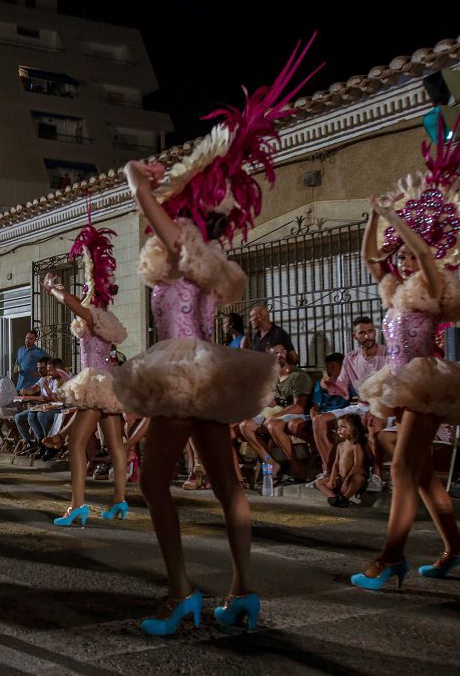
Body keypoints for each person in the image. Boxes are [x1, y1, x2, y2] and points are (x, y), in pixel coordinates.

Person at [112, 37, 315, 634]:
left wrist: (136, 178)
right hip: (208, 370)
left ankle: (180, 595)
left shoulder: (185, 246)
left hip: (182, 370)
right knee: (227, 484)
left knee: (152, 481)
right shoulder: (211, 255)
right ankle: (243, 591)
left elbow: (145, 203)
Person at [350, 106, 460, 591]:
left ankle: (391, 558)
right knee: (421, 474)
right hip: (403, 380)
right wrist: (375, 217)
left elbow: (426, 255)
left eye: (410, 252)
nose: (404, 258)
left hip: (426, 384)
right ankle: (456, 548)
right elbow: (371, 258)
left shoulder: (434, 282)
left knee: (401, 469)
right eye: (403, 253)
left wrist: (399, 219)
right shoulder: (397, 289)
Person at [45, 212, 131, 524]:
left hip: (95, 383)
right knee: (115, 445)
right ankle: (120, 501)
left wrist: (53, 288)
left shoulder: (94, 315)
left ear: (94, 290)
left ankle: (77, 505)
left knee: (76, 443)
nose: (84, 290)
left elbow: (71, 303)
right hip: (105, 380)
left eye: (87, 286)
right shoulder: (105, 318)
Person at [310, 317, 390, 490]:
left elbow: (395, 388)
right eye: (362, 332)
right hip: (361, 406)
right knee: (318, 421)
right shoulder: (350, 358)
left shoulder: (388, 354)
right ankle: (330, 472)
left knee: (373, 421)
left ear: (375, 332)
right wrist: (329, 385)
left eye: (370, 331)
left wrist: (377, 408)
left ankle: (377, 476)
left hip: (384, 407)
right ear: (355, 336)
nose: (368, 336)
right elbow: (342, 389)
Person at [268, 352, 348, 481]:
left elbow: (350, 399)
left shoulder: (347, 382)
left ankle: (327, 468)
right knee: (293, 425)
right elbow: (315, 405)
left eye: (333, 366)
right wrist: (314, 412)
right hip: (319, 415)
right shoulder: (320, 384)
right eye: (327, 367)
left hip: (336, 415)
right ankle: (314, 446)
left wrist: (334, 386)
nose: (329, 370)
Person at [238, 344, 312, 481]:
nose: (280, 354)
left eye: (283, 351)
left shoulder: (298, 376)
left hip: (293, 414)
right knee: (244, 426)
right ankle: (270, 462)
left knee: (272, 425)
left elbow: (299, 407)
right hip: (274, 411)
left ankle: (296, 466)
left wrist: (274, 416)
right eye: (276, 352)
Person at [315, 414, 368, 506]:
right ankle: (335, 498)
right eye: (338, 427)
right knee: (319, 482)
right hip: (342, 478)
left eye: (343, 427)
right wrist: (332, 479)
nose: (339, 429)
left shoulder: (356, 446)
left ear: (354, 428)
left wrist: (347, 481)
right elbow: (335, 464)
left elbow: (358, 466)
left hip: (352, 478)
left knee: (359, 479)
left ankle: (345, 498)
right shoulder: (340, 446)